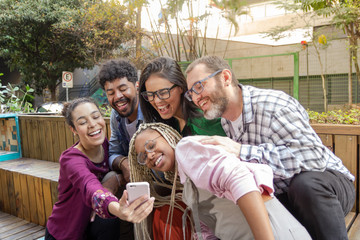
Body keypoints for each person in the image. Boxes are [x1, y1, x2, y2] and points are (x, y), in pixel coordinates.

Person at [185, 55, 355, 240]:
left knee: (305, 185)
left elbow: (313, 156)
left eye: (199, 86)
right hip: (283, 196)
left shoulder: (273, 105)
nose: (195, 97)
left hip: (327, 188)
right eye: (190, 93)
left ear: (225, 77)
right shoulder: (226, 122)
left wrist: (242, 151)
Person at [128, 122, 311, 240]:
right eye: (143, 157)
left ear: (167, 137)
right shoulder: (187, 185)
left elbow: (239, 177)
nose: (150, 155)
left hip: (275, 233)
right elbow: (210, 228)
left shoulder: (186, 149)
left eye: (151, 145)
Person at [45, 98, 154, 240]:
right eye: (83, 122)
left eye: (96, 117)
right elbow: (90, 186)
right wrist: (119, 210)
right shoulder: (71, 159)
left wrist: (117, 177)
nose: (92, 124)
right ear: (74, 130)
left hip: (93, 229)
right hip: (66, 233)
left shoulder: (107, 146)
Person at [139, 56, 225, 136]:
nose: (157, 101)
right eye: (150, 94)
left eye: (163, 92)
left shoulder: (206, 123)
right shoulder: (168, 124)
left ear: (180, 87)